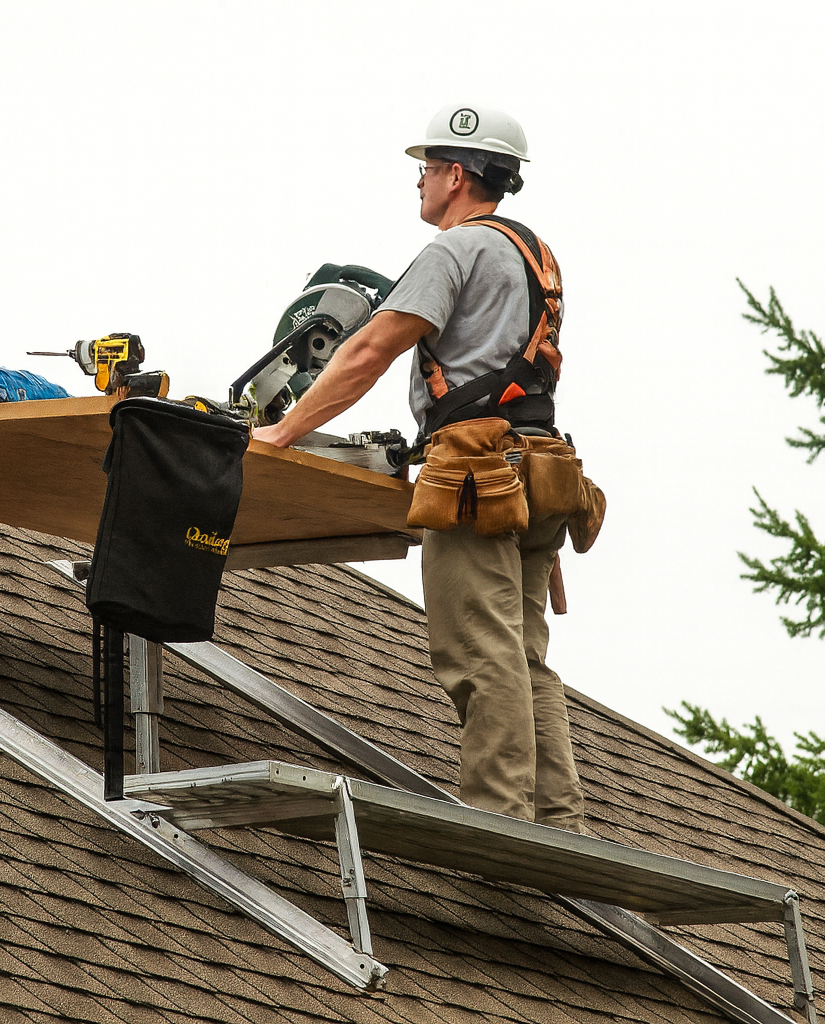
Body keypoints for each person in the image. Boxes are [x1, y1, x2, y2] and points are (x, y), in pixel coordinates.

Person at [252, 104, 586, 832]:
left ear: (457, 174)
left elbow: (369, 352)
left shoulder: (454, 251)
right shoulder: (534, 252)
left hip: (475, 475)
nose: (419, 183)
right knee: (526, 655)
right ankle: (555, 821)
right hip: (537, 469)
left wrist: (282, 433)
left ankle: (499, 815)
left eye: (427, 169)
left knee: (477, 648)